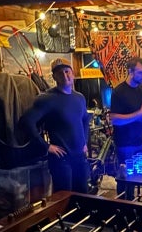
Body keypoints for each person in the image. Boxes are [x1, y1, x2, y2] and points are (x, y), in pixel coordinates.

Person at [19, 59, 90, 193]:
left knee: (83, 195)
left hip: (80, 157)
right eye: (60, 73)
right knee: (64, 197)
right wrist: (46, 146)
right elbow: (26, 122)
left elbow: (85, 119)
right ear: (54, 77)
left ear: (73, 73)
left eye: (67, 71)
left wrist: (85, 141)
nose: (64, 75)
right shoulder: (47, 99)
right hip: (61, 160)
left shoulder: (79, 97)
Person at [110, 57, 142, 199]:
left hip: (138, 142)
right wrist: (138, 114)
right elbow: (114, 119)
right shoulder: (118, 92)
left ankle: (132, 205)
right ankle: (122, 206)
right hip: (124, 143)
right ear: (130, 72)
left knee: (135, 179)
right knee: (124, 180)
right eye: (140, 72)